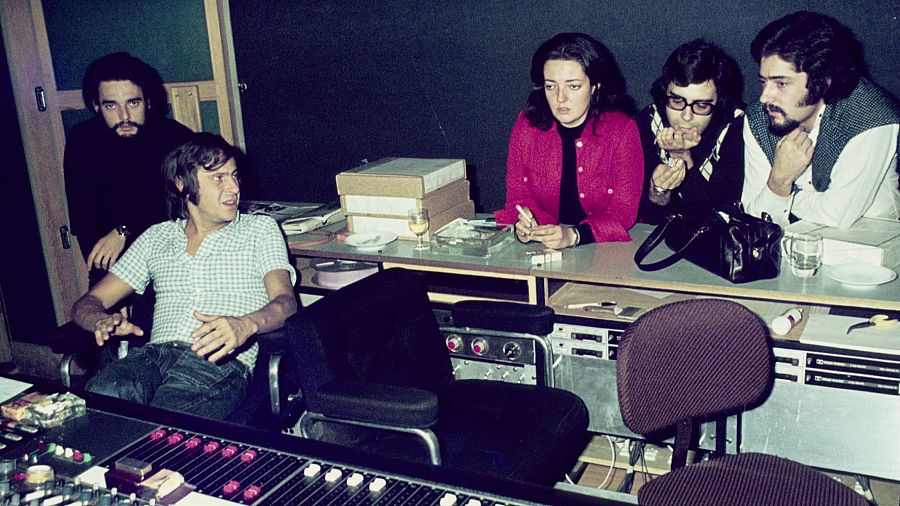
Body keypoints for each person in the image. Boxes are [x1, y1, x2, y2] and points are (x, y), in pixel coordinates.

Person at [71, 133, 298, 418]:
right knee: (97, 402)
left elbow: (286, 303)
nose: (233, 187)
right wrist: (100, 320)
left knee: (164, 421)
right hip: (152, 357)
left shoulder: (259, 230)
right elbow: (86, 304)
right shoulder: (157, 237)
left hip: (216, 360)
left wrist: (245, 325)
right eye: (218, 178)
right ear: (182, 184)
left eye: (235, 176)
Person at [742, 11, 900, 228]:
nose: (764, 97)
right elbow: (753, 215)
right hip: (789, 245)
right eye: (763, 82)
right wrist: (779, 181)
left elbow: (838, 216)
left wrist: (778, 194)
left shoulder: (871, 116)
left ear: (823, 81)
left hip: (871, 244)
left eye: (781, 84)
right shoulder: (759, 119)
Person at [494, 33, 643, 248]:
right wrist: (525, 224)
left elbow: (623, 211)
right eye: (550, 86)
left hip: (606, 247)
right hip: (544, 246)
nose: (560, 98)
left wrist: (573, 235)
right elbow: (518, 197)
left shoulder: (622, 130)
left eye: (573, 86)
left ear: (595, 87)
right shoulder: (526, 127)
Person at [64, 52, 193, 287]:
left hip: (170, 255)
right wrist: (107, 283)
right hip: (113, 259)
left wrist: (125, 230)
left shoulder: (175, 137)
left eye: (133, 103)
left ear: (149, 102)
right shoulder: (81, 140)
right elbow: (83, 217)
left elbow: (182, 205)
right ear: (96, 106)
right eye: (111, 105)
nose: (124, 116)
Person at [636, 40, 745, 224]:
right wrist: (658, 193)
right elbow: (643, 215)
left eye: (701, 105)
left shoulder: (736, 126)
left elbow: (723, 214)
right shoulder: (648, 121)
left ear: (719, 102)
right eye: (677, 101)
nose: (687, 116)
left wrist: (683, 157)